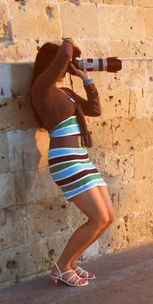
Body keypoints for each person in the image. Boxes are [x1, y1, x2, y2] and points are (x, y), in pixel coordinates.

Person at [30, 38, 115, 287]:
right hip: (66, 161)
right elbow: (62, 56)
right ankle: (60, 266)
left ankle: (71, 263)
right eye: (64, 65)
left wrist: (86, 79)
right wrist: (69, 43)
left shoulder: (65, 93)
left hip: (82, 159)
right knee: (97, 218)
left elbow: (95, 109)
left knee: (108, 217)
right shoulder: (41, 88)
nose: (67, 68)